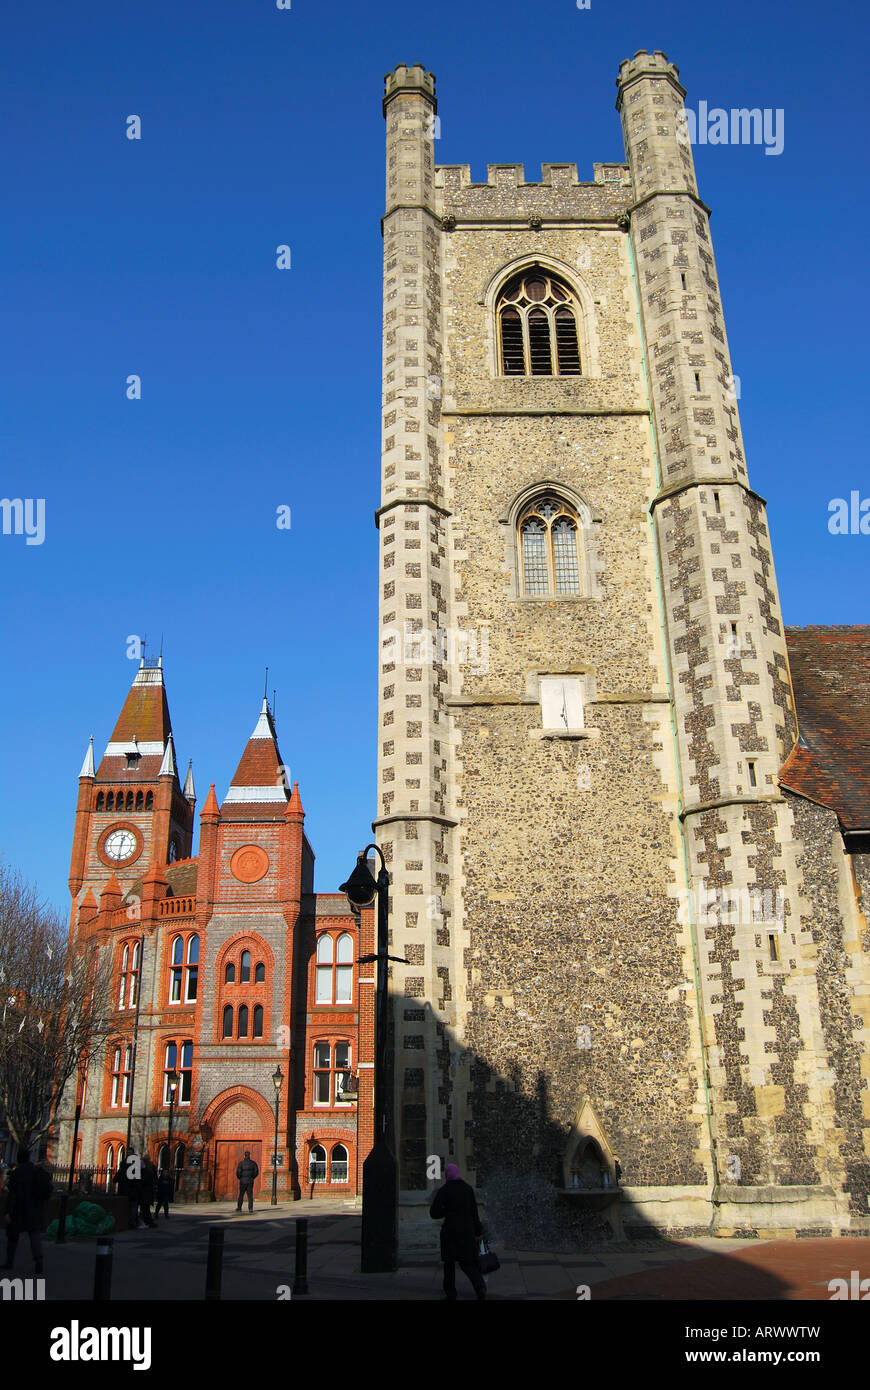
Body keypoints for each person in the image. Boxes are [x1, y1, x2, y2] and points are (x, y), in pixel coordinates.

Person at [429, 1162, 487, 1300]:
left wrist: (447, 1211)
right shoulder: (467, 1189)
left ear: (447, 1175)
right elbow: (474, 1212)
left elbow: (434, 1213)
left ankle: (451, 1294)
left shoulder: (444, 1190)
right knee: (467, 1262)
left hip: (450, 1232)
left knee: (449, 1263)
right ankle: (479, 1286)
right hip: (466, 1231)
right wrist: (478, 1231)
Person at [2, 1148, 52, 1275]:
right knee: (34, 1236)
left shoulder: (16, 1173)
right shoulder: (36, 1171)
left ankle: (9, 1261)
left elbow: (12, 1194)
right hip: (34, 1209)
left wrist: (8, 1212)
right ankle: (39, 1260)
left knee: (12, 1236)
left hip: (18, 1209)